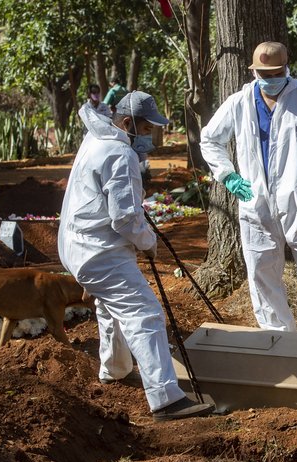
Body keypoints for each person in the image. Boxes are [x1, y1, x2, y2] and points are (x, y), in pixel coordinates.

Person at [59, 90, 214, 421]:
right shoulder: (119, 153)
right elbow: (125, 217)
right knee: (144, 312)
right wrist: (147, 242)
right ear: (127, 123)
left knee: (111, 306)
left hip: (80, 243)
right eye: (145, 130)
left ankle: (114, 369)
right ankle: (166, 399)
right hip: (99, 249)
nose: (149, 138)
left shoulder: (96, 139)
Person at [200, 41, 297, 337]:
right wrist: (228, 176)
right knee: (261, 271)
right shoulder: (239, 102)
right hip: (255, 203)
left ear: (286, 68)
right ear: (254, 71)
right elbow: (209, 140)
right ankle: (277, 336)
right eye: (264, 73)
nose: (270, 79)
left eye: (275, 72)